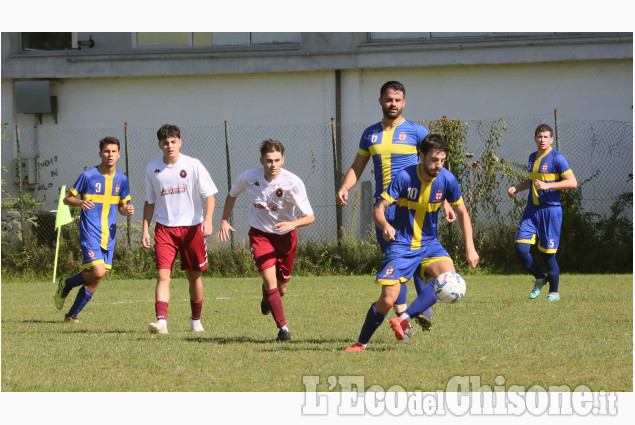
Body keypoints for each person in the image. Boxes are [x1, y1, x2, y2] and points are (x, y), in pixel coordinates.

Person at [336, 80, 454, 339]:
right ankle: (406, 317)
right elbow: (358, 166)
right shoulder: (370, 134)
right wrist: (345, 186)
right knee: (396, 260)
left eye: (398, 100)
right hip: (385, 208)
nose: (393, 104)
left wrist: (445, 200)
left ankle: (413, 312)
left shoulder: (416, 131)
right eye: (389, 99)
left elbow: (437, 165)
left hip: (414, 206)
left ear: (404, 103)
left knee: (422, 257)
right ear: (381, 101)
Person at [345, 133, 479, 352]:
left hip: (429, 244)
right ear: (421, 155)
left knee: (450, 279)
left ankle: (403, 319)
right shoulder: (404, 177)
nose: (438, 165)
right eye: (434, 160)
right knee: (388, 300)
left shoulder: (447, 180)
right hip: (401, 245)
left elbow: (462, 213)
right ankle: (361, 343)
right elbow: (378, 209)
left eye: (442, 160)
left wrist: (470, 248)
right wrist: (386, 226)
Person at [218, 139, 315, 342]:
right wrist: (225, 220)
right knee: (271, 282)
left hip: (286, 238)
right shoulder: (248, 177)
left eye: (277, 160)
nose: (273, 165)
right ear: (261, 160)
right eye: (269, 160)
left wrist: (292, 224)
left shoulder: (293, 182)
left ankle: (267, 296)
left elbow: (310, 216)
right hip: (260, 235)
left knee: (281, 288)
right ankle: (283, 329)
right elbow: (231, 195)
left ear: (283, 160)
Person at [142, 124, 218, 334]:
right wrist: (145, 229)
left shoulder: (193, 165)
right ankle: (161, 322)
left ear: (180, 142)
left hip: (192, 229)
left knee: (193, 276)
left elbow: (209, 194)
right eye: (165, 143)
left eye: (173, 142)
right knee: (163, 275)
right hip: (165, 229)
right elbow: (149, 202)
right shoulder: (152, 169)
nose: (169, 146)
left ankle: (196, 320)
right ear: (159, 144)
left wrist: (208, 220)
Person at [53, 137, 134, 322]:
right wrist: (80, 202)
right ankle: (66, 284)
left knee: (96, 279)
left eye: (113, 151)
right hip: (90, 231)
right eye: (106, 151)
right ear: (100, 154)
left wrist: (127, 210)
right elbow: (67, 199)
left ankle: (71, 316)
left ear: (119, 154)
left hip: (109, 234)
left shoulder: (122, 179)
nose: (110, 155)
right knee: (98, 271)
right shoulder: (88, 176)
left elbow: (122, 207)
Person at [507, 123, 577, 302]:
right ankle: (540, 277)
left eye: (546, 137)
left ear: (551, 139)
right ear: (535, 138)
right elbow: (532, 181)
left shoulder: (557, 158)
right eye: (539, 136)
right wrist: (517, 188)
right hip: (532, 210)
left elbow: (572, 183)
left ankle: (554, 292)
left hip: (550, 211)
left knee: (548, 255)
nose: (542, 140)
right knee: (521, 249)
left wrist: (549, 185)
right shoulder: (532, 157)